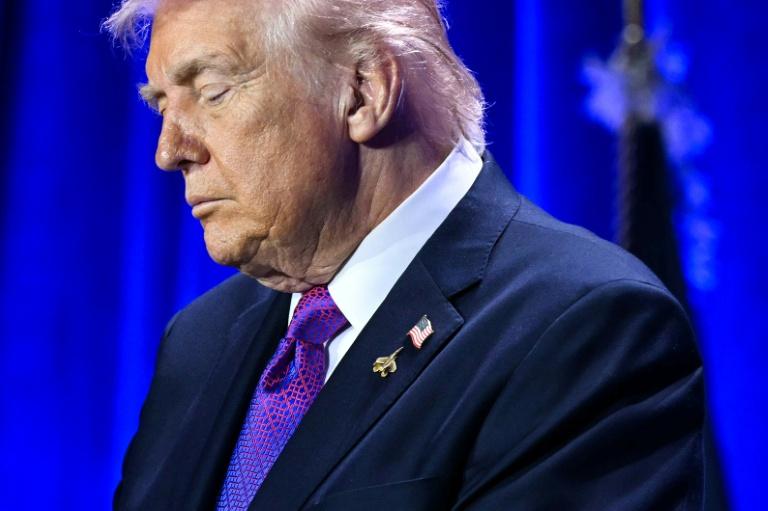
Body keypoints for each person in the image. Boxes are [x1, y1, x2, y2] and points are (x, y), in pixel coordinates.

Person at [106, 0, 706, 509]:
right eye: (161, 106)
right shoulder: (201, 338)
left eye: (212, 92)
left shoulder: (582, 327)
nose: (169, 150)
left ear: (364, 92)